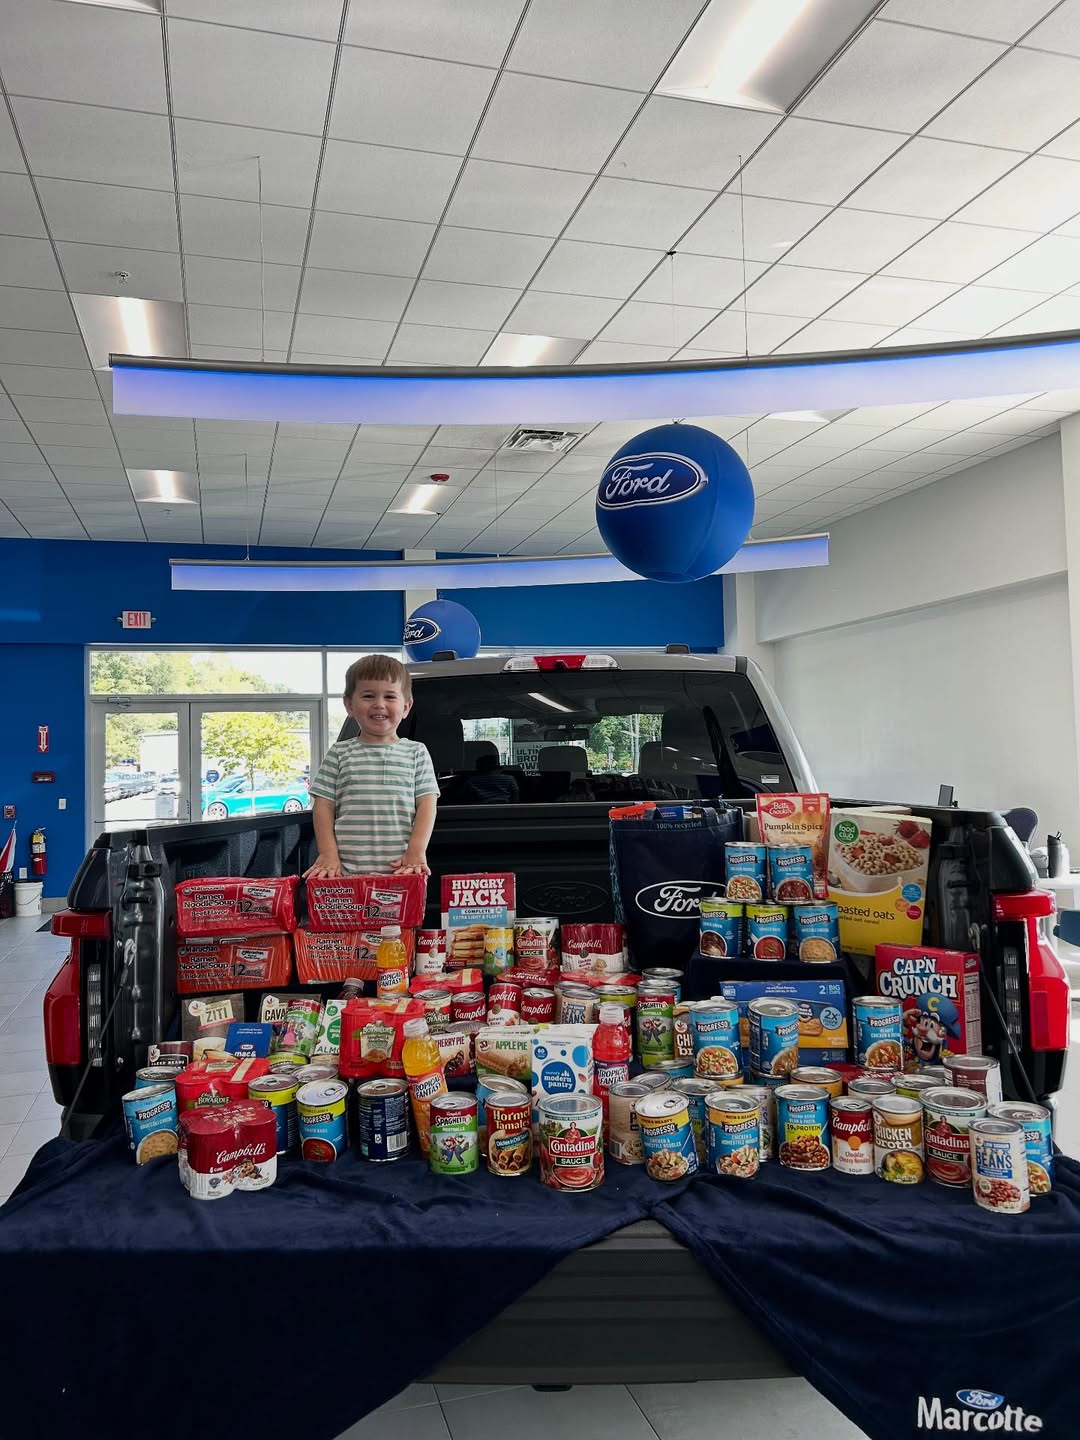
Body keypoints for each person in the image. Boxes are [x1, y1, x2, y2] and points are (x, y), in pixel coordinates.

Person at [304, 655, 438, 878]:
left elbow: (427, 805)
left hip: (403, 872)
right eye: (368, 696)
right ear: (349, 705)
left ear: (406, 706)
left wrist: (416, 851)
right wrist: (327, 854)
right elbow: (323, 806)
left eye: (389, 696)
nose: (379, 704)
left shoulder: (416, 752)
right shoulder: (338, 753)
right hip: (345, 874)